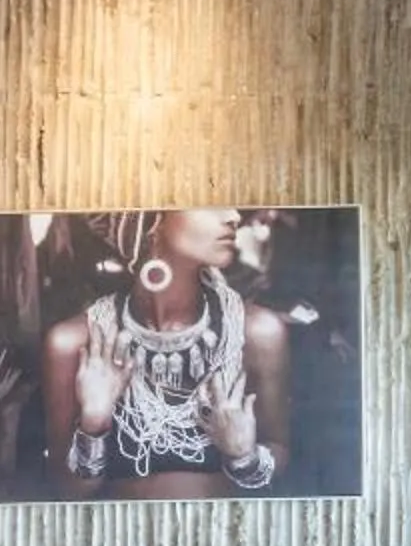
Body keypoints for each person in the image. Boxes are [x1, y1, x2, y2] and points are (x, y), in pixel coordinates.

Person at [42, 208, 291, 501]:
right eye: (208, 203)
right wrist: (93, 425)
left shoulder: (257, 334)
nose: (233, 216)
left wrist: (245, 458)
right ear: (152, 220)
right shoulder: (74, 343)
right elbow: (66, 489)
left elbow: (283, 460)